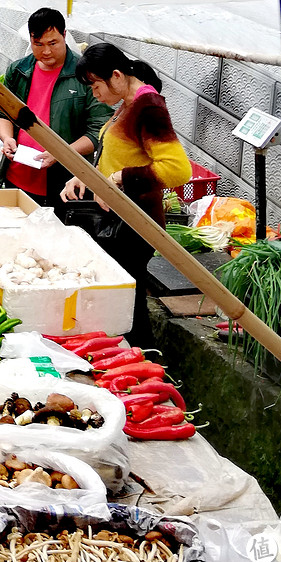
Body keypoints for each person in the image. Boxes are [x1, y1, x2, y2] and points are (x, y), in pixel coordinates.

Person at [60, 42, 191, 340]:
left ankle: (146, 363)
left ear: (116, 76)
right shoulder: (129, 104)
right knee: (122, 298)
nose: (94, 93)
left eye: (95, 85)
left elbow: (177, 169)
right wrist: (88, 178)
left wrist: (120, 178)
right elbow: (118, 154)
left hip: (134, 223)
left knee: (129, 304)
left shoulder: (149, 108)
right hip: (117, 219)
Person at [0, 7, 110, 212]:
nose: (45, 51)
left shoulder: (85, 75)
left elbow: (98, 131)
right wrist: (7, 139)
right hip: (17, 177)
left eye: (52, 43)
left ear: (64, 36)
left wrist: (61, 153)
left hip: (65, 185)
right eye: (38, 44)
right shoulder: (19, 70)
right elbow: (2, 113)